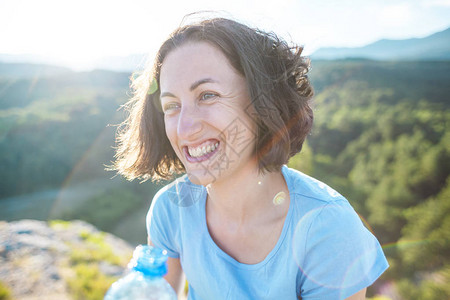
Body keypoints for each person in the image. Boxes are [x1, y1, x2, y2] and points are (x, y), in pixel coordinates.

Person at [113, 16, 389, 300]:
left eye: (208, 95)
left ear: (262, 103)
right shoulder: (170, 210)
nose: (184, 128)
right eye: (171, 106)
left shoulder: (329, 230)